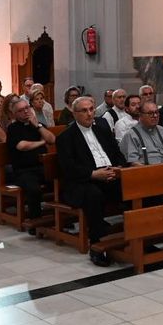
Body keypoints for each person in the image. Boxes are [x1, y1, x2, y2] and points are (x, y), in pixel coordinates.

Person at [55, 95, 127, 266]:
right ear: (74, 114)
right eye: (84, 111)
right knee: (93, 195)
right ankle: (97, 245)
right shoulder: (66, 137)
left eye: (91, 109)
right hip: (83, 182)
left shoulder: (102, 129)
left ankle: (135, 236)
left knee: (133, 187)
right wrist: (93, 174)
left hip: (109, 176)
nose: (89, 114)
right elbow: (69, 168)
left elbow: (117, 153)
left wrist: (119, 168)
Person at [5, 96, 54, 229]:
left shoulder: (38, 125)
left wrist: (38, 126)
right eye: (21, 110)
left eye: (27, 108)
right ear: (15, 114)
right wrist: (41, 142)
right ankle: (35, 222)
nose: (26, 112)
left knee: (61, 180)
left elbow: (52, 139)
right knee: (34, 189)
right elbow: (22, 146)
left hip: (42, 167)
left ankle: (62, 217)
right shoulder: (13, 128)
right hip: (23, 170)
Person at [119, 100, 163, 166]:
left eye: (157, 112)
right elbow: (133, 162)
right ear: (140, 115)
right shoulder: (131, 135)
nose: (155, 116)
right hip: (145, 172)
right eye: (150, 113)